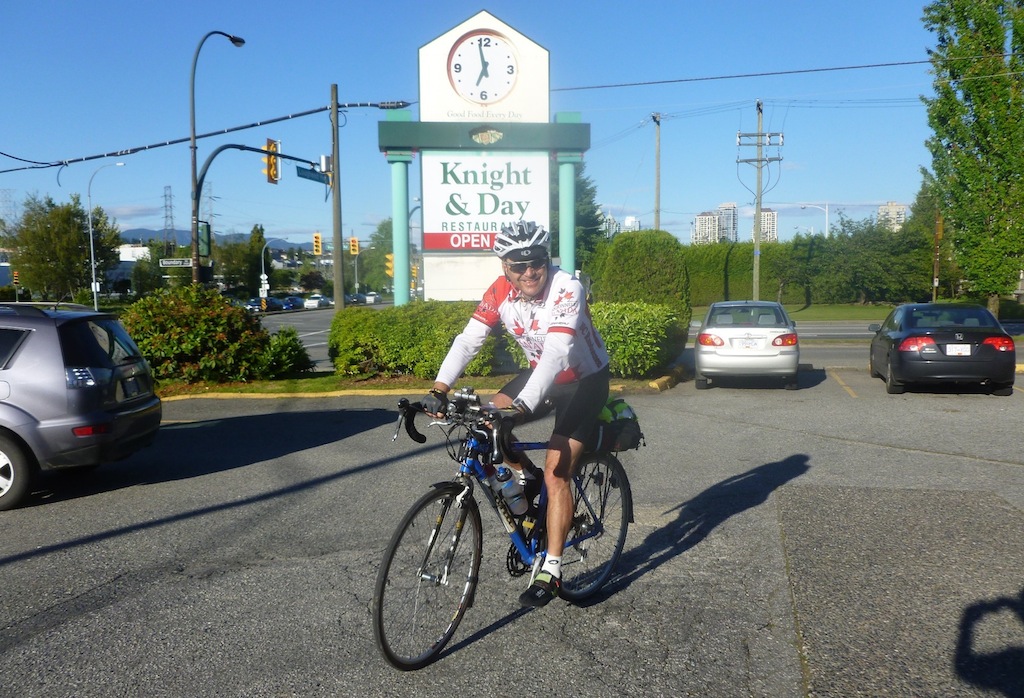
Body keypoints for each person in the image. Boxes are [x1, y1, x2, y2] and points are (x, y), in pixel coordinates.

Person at [421, 220, 610, 608]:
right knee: (488, 422)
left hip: (584, 380)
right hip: (541, 375)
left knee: (558, 470)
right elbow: (469, 340)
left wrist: (521, 407)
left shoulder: (566, 287)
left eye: (536, 262)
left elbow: (556, 353)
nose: (528, 272)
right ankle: (528, 478)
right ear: (504, 266)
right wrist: (439, 389)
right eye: (518, 265)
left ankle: (551, 570)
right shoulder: (499, 291)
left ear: (546, 259)